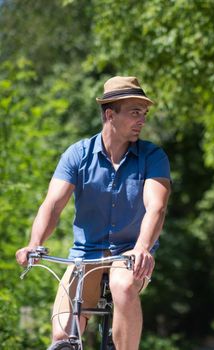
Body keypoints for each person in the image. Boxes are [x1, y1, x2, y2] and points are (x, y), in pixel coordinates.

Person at [15, 76, 171, 350]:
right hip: (85, 256)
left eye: (144, 113)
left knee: (122, 286)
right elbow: (53, 204)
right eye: (135, 112)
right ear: (110, 114)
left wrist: (142, 248)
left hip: (130, 256)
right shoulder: (78, 155)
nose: (142, 120)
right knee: (62, 336)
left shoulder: (152, 156)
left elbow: (156, 207)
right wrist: (34, 242)